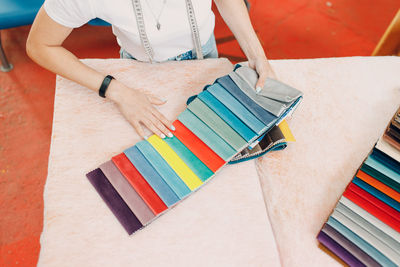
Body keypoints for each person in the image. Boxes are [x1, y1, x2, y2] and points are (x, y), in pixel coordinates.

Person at [26, 0, 276, 139]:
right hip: (139, 75)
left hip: (205, 56)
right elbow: (40, 45)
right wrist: (115, 91)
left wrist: (257, 55)